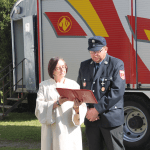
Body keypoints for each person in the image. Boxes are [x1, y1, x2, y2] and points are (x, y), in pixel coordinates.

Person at [77, 36, 126, 150]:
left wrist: (97, 109)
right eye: (92, 51)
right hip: (91, 120)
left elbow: (117, 91)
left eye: (98, 51)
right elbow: (80, 90)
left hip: (110, 119)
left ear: (106, 49)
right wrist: (87, 110)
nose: (95, 54)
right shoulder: (84, 66)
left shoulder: (116, 64)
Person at [35, 57, 87, 150]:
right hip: (52, 130)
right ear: (52, 71)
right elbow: (39, 108)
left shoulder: (73, 85)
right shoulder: (44, 86)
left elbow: (83, 107)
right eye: (58, 68)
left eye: (64, 66)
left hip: (70, 129)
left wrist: (76, 107)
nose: (62, 70)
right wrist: (57, 103)